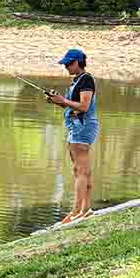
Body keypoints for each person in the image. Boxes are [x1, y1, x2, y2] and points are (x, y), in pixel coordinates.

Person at [44, 48, 99, 224]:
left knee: (80, 171)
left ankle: (76, 211)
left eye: (69, 63)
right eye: (65, 64)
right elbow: (72, 106)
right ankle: (85, 209)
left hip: (82, 127)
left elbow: (83, 106)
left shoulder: (86, 80)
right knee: (82, 170)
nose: (66, 67)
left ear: (78, 62)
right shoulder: (77, 81)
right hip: (76, 127)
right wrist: (57, 101)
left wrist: (63, 101)